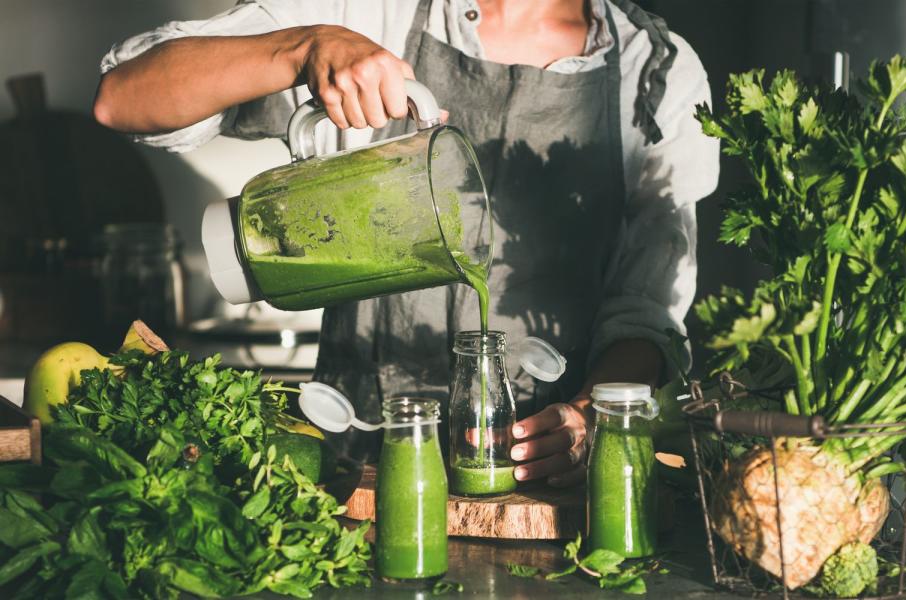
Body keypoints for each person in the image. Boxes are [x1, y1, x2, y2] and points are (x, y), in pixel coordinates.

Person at [94, 0, 719, 487]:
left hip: (546, 481)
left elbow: (646, 308)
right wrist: (304, 48)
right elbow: (123, 98)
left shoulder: (655, 71)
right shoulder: (368, 14)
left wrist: (589, 418)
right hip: (353, 470)